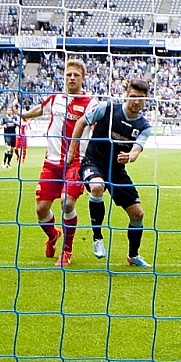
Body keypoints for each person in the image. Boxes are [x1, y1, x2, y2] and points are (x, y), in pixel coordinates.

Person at [67, 79, 153, 268]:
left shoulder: (144, 126)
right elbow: (81, 122)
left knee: (138, 214)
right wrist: (72, 152)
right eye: (132, 97)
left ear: (146, 100)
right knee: (97, 187)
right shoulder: (106, 108)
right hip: (93, 162)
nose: (136, 102)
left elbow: (138, 148)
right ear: (126, 95)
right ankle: (97, 237)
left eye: (140, 98)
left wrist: (130, 156)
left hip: (116, 170)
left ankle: (133, 255)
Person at [20, 59, 98, 267]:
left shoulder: (91, 103)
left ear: (83, 78)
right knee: (41, 210)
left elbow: (99, 127)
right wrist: (22, 115)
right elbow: (40, 110)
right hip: (51, 163)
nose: (72, 78)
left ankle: (67, 250)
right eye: (69, 74)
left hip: (75, 163)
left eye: (76, 75)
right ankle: (53, 235)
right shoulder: (55, 99)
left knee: (67, 202)